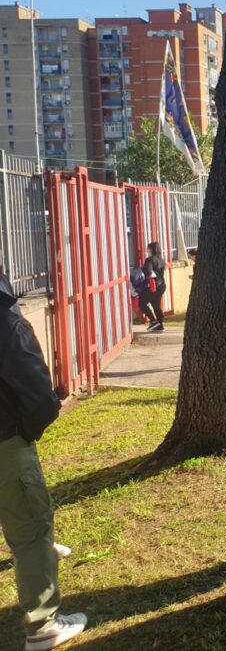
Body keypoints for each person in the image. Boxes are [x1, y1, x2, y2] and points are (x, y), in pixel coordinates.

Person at [0, 260, 88, 650]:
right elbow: (38, 396)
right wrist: (26, 431)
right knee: (31, 533)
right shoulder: (7, 322)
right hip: (6, 443)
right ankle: (43, 626)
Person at [138, 241, 166, 331]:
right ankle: (160, 326)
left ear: (150, 249)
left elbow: (148, 272)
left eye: (147, 248)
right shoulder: (161, 259)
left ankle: (154, 321)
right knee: (156, 305)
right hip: (161, 286)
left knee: (142, 303)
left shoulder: (149, 260)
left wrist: (141, 270)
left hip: (153, 286)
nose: (146, 249)